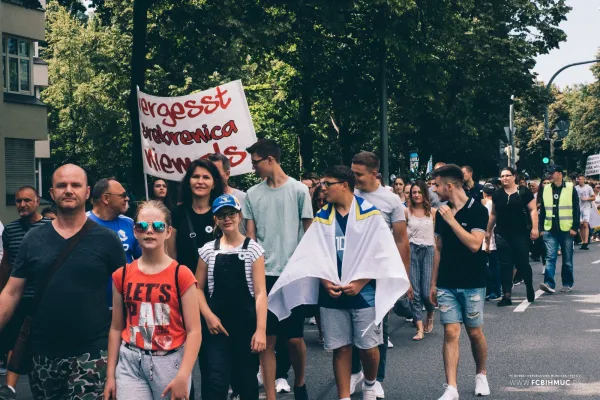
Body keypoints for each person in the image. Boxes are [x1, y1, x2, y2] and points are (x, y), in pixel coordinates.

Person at [267, 165, 409, 400]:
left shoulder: (371, 215)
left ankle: (370, 383)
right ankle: (344, 396)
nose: (323, 189)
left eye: (327, 183)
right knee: (341, 347)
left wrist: (361, 282)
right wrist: (324, 281)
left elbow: (382, 255)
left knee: (368, 347)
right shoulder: (322, 218)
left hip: (364, 293)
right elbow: (311, 255)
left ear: (344, 185)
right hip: (331, 293)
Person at [0, 164, 126, 399]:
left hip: (92, 354)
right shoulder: (33, 239)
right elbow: (11, 292)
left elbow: (126, 293)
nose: (68, 190)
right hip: (43, 354)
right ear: (51, 192)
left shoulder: (107, 240)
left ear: (87, 192)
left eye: (75, 185)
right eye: (62, 185)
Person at [104, 200, 201, 400]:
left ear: (168, 232)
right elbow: (115, 328)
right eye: (142, 226)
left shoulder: (181, 275)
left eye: (158, 226)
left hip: (170, 362)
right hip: (130, 361)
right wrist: (110, 376)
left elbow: (194, 331)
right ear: (135, 231)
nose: (150, 231)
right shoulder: (121, 275)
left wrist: (184, 374)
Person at [243, 139, 313, 400]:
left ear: (270, 160)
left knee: (294, 339)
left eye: (256, 162)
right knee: (268, 339)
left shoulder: (298, 190)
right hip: (265, 275)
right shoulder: (252, 194)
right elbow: (250, 238)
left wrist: (307, 270)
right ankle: (271, 394)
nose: (254, 168)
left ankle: (300, 382)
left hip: (293, 275)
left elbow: (309, 232)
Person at [349, 151, 411, 398]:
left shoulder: (391, 200)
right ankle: (355, 371)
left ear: (374, 174)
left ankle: (377, 378)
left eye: (358, 174)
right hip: (352, 269)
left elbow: (401, 241)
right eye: (352, 173)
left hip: (381, 272)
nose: (354, 178)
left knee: (379, 327)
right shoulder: (349, 195)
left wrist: (403, 277)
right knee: (351, 324)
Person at [196, 194, 267, 399]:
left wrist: (260, 330)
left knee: (246, 381)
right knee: (215, 381)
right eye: (221, 215)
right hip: (216, 327)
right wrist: (208, 316)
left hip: (246, 326)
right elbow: (197, 288)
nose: (227, 218)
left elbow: (261, 292)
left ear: (239, 216)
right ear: (215, 219)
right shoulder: (208, 250)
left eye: (231, 214)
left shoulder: (253, 249)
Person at [429, 164, 490, 399]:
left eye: (436, 185)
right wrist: (433, 283)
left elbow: (475, 245)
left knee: (474, 333)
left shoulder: (478, 210)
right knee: (451, 332)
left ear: (450, 185)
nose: (434, 190)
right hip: (446, 282)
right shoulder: (441, 212)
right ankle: (451, 387)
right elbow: (439, 249)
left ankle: (481, 374)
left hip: (473, 281)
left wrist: (453, 221)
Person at [0, 187, 52, 399]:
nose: (22, 205)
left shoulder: (51, 226)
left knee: (44, 342)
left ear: (37, 201)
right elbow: (6, 264)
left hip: (46, 297)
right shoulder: (10, 230)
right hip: (17, 297)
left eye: (27, 200)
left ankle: (46, 385)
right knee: (15, 340)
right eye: (18, 201)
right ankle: (9, 389)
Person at [485, 167, 538, 306]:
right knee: (505, 265)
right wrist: (488, 231)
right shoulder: (498, 194)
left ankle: (529, 286)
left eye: (507, 175)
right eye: (502, 176)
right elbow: (494, 214)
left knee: (523, 263)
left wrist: (535, 228)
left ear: (514, 176)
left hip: (520, 233)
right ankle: (507, 295)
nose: (504, 178)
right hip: (502, 234)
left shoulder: (523, 191)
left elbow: (532, 210)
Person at [167, 159, 225, 275]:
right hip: (185, 282)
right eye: (195, 176)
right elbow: (171, 254)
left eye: (206, 177)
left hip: (218, 281)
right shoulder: (176, 213)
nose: (200, 181)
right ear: (188, 181)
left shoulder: (222, 213)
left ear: (214, 184)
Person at [539, 165, 580, 294]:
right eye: (548, 173)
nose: (549, 175)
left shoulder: (570, 188)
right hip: (550, 229)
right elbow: (543, 210)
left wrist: (575, 227)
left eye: (552, 173)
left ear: (559, 174)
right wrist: (541, 228)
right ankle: (549, 283)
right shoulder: (546, 189)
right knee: (550, 257)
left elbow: (576, 209)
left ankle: (567, 283)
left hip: (567, 229)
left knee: (567, 259)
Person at [405, 180, 436, 341]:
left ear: (424, 193)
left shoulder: (433, 212)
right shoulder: (406, 212)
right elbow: (402, 238)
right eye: (413, 192)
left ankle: (430, 312)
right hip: (412, 251)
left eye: (419, 192)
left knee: (426, 292)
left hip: (429, 250)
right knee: (414, 293)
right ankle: (419, 328)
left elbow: (437, 238)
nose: (416, 195)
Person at [87, 178, 141, 264]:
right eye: (123, 195)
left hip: (127, 277)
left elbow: (143, 259)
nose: (127, 198)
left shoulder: (129, 223)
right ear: (106, 198)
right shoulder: (82, 223)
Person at [207, 153, 248, 235]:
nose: (212, 176)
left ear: (227, 174)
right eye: (208, 172)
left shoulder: (243, 198)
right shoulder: (203, 199)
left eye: (216, 172)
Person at [481, 184, 501, 301]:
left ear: (484, 193)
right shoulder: (496, 203)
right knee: (495, 266)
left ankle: (494, 290)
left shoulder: (488, 206)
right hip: (497, 238)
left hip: (490, 240)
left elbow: (488, 224)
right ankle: (496, 290)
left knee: (491, 267)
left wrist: (487, 242)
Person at [575, 174, 594, 250]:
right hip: (579, 207)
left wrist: (586, 199)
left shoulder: (588, 187)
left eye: (580, 179)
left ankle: (586, 242)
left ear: (583, 179)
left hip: (586, 207)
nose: (579, 180)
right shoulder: (575, 188)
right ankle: (583, 241)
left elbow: (593, 197)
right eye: (578, 179)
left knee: (586, 224)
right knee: (581, 225)